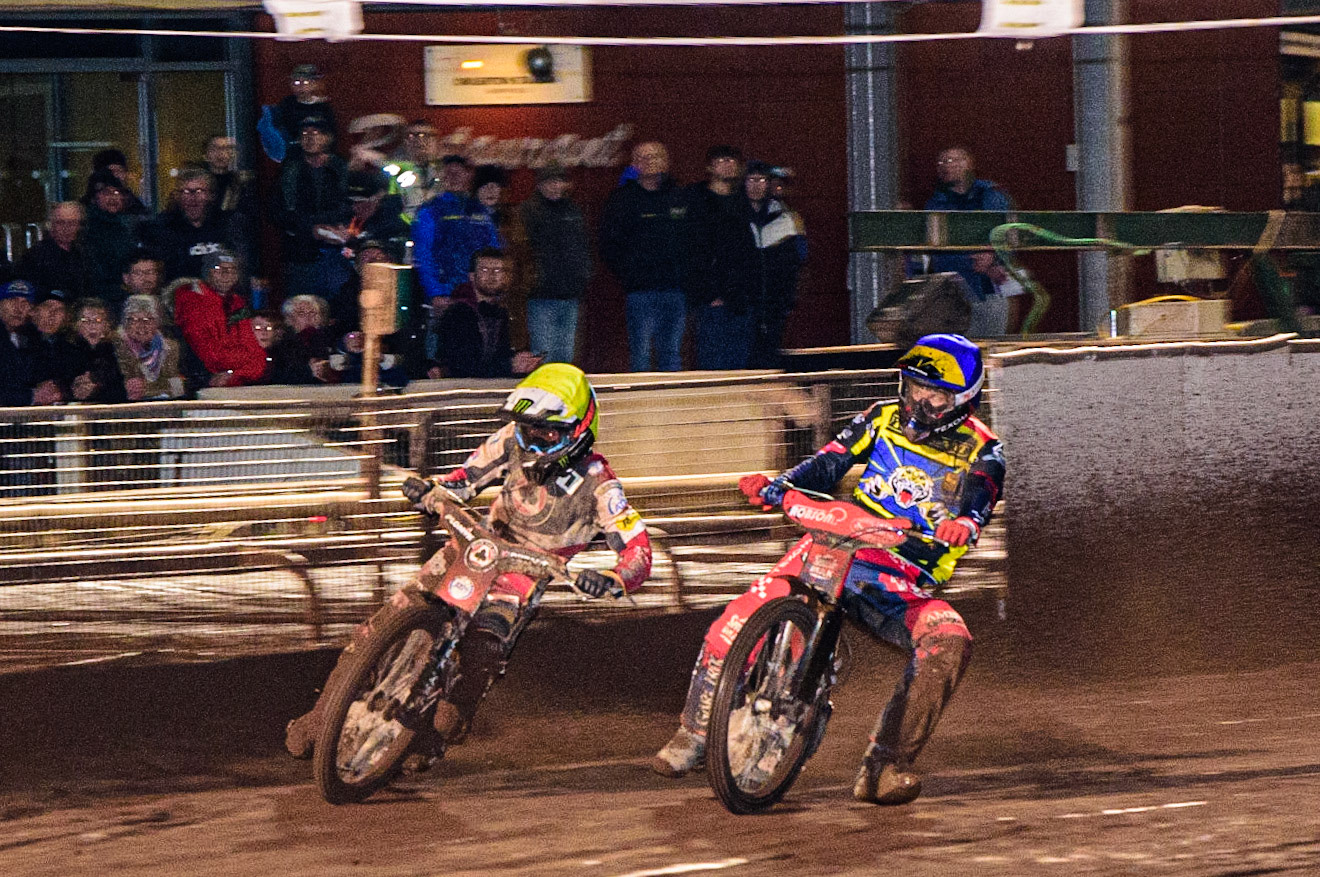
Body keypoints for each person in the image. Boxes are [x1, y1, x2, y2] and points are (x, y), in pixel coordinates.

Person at [652, 334, 1004, 806]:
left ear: (962, 400)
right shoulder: (881, 417)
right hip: (837, 540)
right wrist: (780, 485)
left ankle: (884, 766)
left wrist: (967, 520)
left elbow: (982, 490)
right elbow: (828, 463)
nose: (919, 401)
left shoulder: (984, 449)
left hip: (901, 575)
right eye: (914, 387)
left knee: (949, 641)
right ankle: (695, 733)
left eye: (934, 394)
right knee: (737, 617)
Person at [285, 363, 653, 760]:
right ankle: (319, 718)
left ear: (579, 431)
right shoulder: (510, 442)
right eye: (528, 430)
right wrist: (432, 490)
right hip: (476, 544)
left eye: (547, 433)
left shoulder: (601, 485)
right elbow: (465, 477)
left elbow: (639, 551)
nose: (533, 442)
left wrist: (613, 578)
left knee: (476, 664)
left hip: (524, 574)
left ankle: (435, 736)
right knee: (379, 625)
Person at [600, 141, 689, 372]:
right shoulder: (622, 199)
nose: (649, 162)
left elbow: (694, 240)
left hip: (675, 289)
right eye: (643, 157)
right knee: (640, 355)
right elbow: (609, 244)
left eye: (655, 156)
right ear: (634, 164)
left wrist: (686, 275)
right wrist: (630, 274)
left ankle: (669, 406)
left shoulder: (680, 196)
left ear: (665, 161)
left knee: (671, 354)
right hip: (640, 291)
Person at [921, 147, 1019, 337]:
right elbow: (937, 251)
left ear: (969, 163)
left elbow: (1012, 234)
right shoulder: (935, 204)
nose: (947, 166)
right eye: (942, 162)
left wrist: (994, 254)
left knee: (992, 347)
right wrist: (974, 261)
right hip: (953, 295)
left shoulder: (992, 195)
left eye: (954, 160)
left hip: (991, 290)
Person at [684, 145, 753, 370]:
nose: (728, 164)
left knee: (740, 362)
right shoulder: (696, 201)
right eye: (722, 160)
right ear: (709, 167)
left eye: (732, 160)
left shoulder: (744, 202)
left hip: (741, 297)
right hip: (710, 298)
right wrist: (708, 292)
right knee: (712, 362)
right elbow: (693, 251)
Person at [271, 118, 352, 300]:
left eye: (316, 133)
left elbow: (351, 205)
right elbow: (278, 212)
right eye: (304, 134)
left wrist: (336, 228)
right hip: (300, 254)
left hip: (337, 252)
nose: (309, 138)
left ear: (328, 138)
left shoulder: (342, 168)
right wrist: (311, 229)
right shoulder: (289, 170)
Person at [519, 163, 591, 364]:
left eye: (560, 181)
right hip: (541, 295)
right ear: (540, 184)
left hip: (570, 293)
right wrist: (534, 281)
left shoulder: (573, 211)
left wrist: (583, 276)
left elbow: (583, 247)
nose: (556, 186)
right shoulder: (528, 211)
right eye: (551, 181)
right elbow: (522, 253)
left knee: (566, 357)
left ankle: (561, 396)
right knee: (542, 356)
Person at [431, 248, 541, 379]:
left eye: (498, 270)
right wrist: (510, 365)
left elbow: (498, 355)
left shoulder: (499, 311)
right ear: (472, 276)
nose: (491, 275)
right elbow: (462, 366)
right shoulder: (459, 312)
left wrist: (520, 360)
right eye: (484, 270)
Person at [170, 250, 267, 387]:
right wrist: (243, 364)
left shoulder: (236, 302)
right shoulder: (191, 302)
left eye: (232, 269)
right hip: (201, 380)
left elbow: (257, 354)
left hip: (233, 380)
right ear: (207, 273)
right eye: (218, 268)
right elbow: (212, 357)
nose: (226, 274)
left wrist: (234, 374)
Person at [743, 161, 806, 369]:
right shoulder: (735, 216)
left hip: (775, 302)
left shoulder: (787, 219)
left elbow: (797, 261)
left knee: (770, 356)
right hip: (742, 301)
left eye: (761, 180)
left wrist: (788, 298)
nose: (756, 185)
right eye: (751, 180)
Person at [138, 169, 245, 283]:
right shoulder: (163, 227)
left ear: (211, 195)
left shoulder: (229, 224)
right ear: (177, 196)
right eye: (186, 191)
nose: (193, 197)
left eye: (199, 191)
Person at [81, 169, 137, 313]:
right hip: (103, 301)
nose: (113, 198)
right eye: (106, 193)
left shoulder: (124, 225)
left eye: (117, 192)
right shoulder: (87, 229)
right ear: (94, 197)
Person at [0, 280, 62, 406]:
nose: (18, 309)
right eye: (12, 300)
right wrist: (31, 396)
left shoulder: (30, 340)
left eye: (25, 303)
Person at [259, 64, 337, 164]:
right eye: (296, 82)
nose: (301, 87)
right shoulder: (287, 104)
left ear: (313, 84)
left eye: (305, 82)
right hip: (293, 156)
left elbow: (331, 133)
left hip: (319, 157)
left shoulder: (323, 108)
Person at [114, 295, 185, 400]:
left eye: (149, 319)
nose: (142, 325)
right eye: (134, 319)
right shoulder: (113, 345)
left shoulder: (170, 348)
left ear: (158, 323)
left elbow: (179, 387)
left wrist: (147, 388)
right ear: (125, 322)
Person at [17, 202, 88, 302]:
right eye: (60, 223)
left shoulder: (84, 254)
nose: (66, 228)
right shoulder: (35, 256)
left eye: (72, 223)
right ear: (50, 225)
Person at [64, 298, 127, 404]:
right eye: (85, 321)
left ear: (107, 325)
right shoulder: (66, 352)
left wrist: (96, 388)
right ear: (76, 325)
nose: (92, 326)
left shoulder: (118, 351)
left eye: (98, 320)